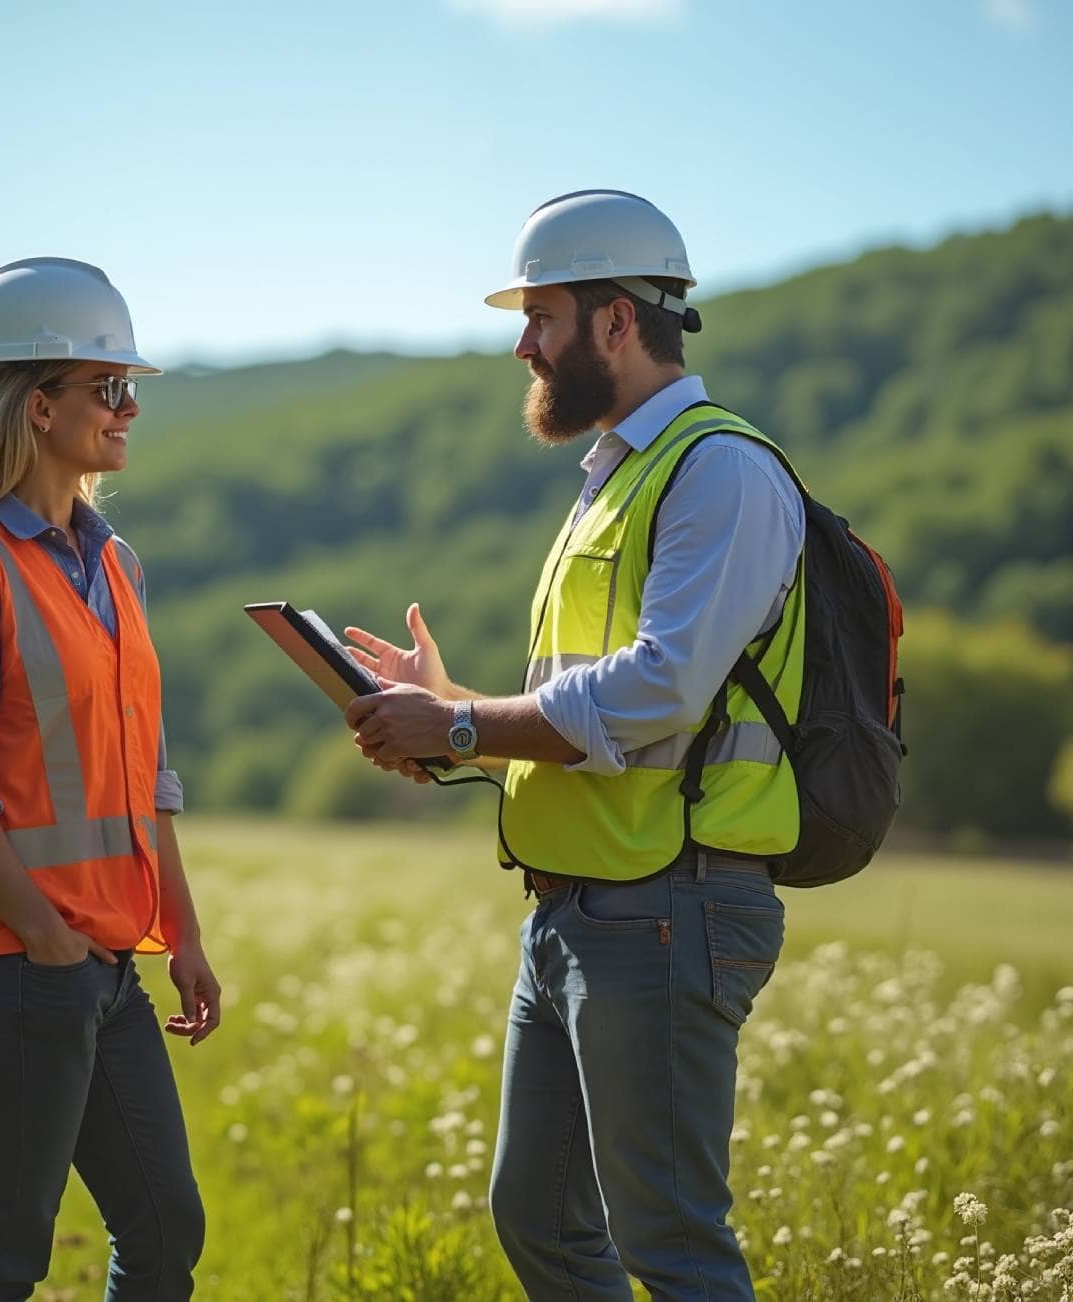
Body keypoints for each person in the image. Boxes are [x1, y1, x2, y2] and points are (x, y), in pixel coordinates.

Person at [343, 190, 804, 1300]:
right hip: (578, 905)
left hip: (667, 903)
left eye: (541, 317)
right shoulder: (612, 480)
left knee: (675, 1248)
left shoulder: (721, 471)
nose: (522, 344)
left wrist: (458, 722)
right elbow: (576, 711)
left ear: (614, 320)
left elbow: (659, 690)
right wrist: (450, 710)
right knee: (541, 1220)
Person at [0, 257, 219, 1301]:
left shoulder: (114, 565)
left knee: (165, 1237)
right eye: (107, 387)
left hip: (100, 958)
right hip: (12, 955)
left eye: (130, 387)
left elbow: (143, 776)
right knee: (0, 1262)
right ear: (37, 408)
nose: (129, 407)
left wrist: (184, 932)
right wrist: (43, 934)